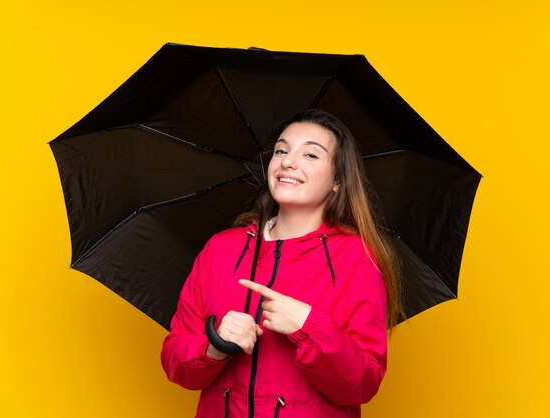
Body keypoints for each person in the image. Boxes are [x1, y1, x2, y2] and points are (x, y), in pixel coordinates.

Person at [161, 109, 402, 417]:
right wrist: (216, 345)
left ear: (338, 181)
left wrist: (309, 327)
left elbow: (361, 385)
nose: (288, 161)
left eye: (311, 155)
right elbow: (176, 364)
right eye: (281, 150)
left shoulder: (357, 257)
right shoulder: (221, 248)